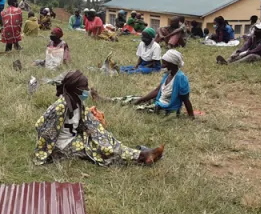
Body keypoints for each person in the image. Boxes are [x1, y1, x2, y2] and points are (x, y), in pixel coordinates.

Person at [34, 70, 165, 166]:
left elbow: (86, 122)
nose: (87, 90)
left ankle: (134, 153)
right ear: (75, 89)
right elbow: (41, 125)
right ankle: (141, 156)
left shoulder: (78, 103)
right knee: (100, 148)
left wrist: (93, 131)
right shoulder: (60, 107)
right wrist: (47, 152)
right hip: (63, 146)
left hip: (74, 137)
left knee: (105, 136)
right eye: (84, 87)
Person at [92, 50, 194, 118]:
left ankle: (119, 108)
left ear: (173, 63)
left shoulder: (181, 78)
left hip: (167, 109)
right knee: (132, 98)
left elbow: (186, 99)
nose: (163, 65)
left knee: (137, 109)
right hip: (158, 101)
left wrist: (191, 116)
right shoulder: (168, 74)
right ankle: (104, 99)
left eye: (165, 63)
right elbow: (157, 91)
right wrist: (141, 99)